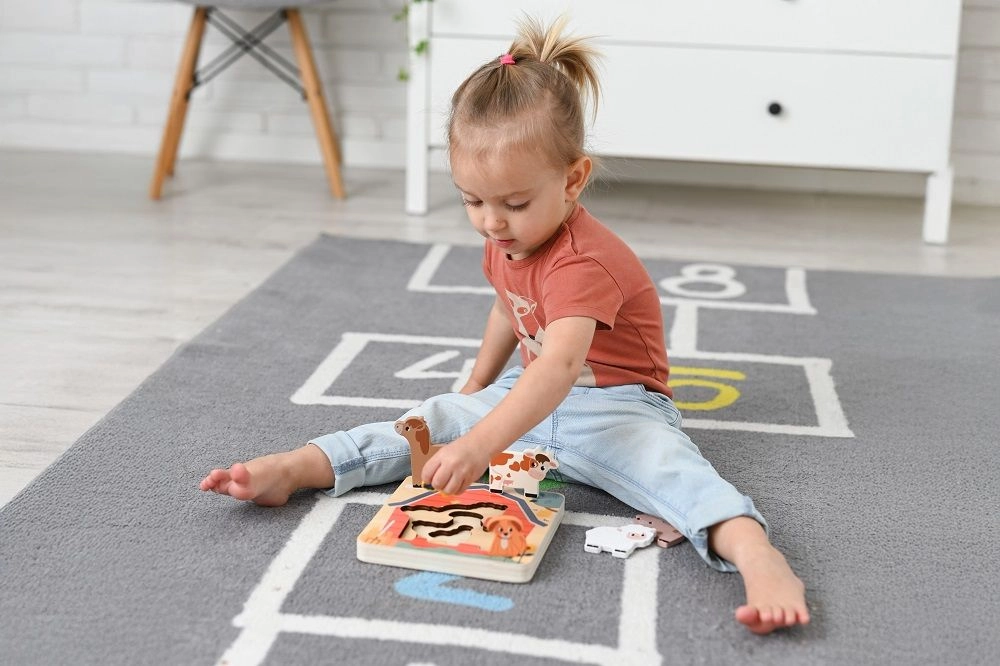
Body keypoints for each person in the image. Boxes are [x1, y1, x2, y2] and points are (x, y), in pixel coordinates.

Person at [200, 16, 809, 635]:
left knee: (676, 477)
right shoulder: (508, 240)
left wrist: (480, 443)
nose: (491, 223)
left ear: (573, 180)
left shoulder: (584, 263)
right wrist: (474, 389)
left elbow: (560, 366)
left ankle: (758, 556)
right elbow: (506, 309)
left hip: (616, 405)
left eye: (514, 203)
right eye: (472, 200)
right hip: (526, 397)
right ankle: (299, 468)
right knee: (427, 422)